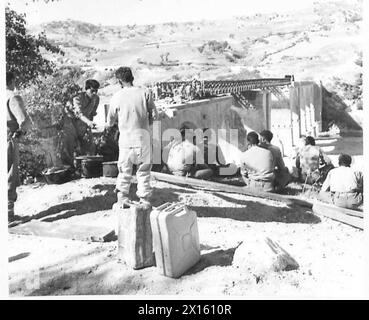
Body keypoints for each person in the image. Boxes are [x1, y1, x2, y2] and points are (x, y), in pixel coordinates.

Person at [106, 67, 158, 207]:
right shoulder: (145, 92)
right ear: (132, 78)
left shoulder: (116, 96)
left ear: (120, 81)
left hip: (126, 141)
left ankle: (122, 199)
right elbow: (154, 115)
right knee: (144, 171)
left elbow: (110, 121)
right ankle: (145, 201)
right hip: (143, 140)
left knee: (124, 171)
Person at [7, 71, 31, 223]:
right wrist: (21, 132)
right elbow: (24, 120)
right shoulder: (12, 97)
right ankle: (8, 216)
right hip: (8, 139)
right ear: (12, 81)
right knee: (9, 175)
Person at [61, 79, 100, 167]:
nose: (94, 93)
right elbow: (78, 113)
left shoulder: (96, 99)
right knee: (69, 145)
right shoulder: (77, 98)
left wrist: (89, 125)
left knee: (89, 145)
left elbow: (92, 113)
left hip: (84, 123)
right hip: (70, 122)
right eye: (92, 91)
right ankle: (69, 168)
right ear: (86, 89)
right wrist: (88, 122)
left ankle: (87, 168)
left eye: (96, 91)